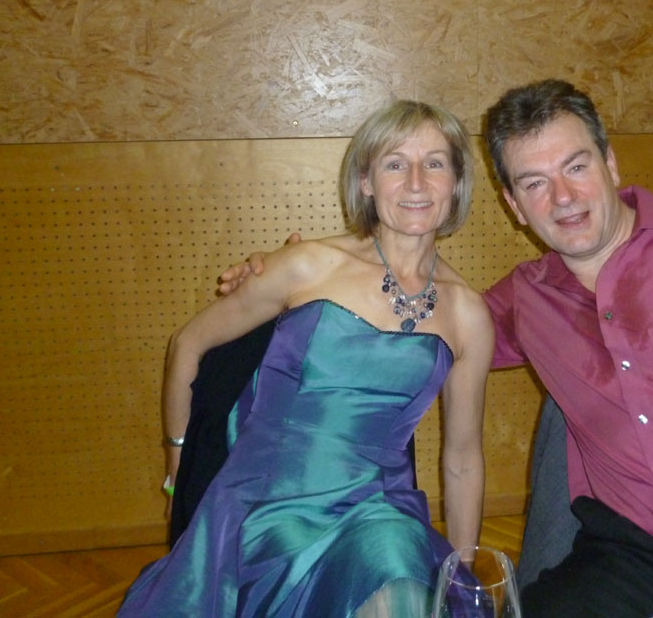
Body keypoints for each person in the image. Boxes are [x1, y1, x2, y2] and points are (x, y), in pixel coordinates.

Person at [219, 79, 653, 618]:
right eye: (535, 182)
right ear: (512, 204)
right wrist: (292, 275)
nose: (562, 197)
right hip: (633, 561)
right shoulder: (522, 301)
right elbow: (406, 314)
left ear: (612, 163)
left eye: (576, 166)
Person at [119, 100, 494, 617]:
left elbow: (463, 457)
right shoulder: (309, 266)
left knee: (393, 561)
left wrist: (461, 570)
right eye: (394, 163)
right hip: (263, 503)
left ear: (455, 183)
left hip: (377, 510)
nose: (415, 182)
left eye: (434, 163)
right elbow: (189, 343)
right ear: (365, 182)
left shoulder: (468, 314)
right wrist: (179, 461)